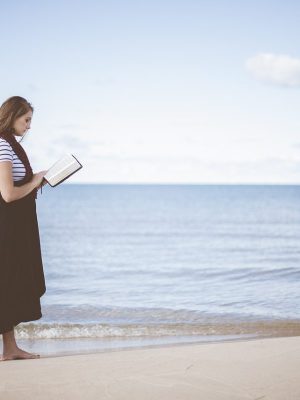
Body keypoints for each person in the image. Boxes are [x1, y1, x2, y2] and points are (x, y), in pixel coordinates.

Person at [0, 96, 48, 361]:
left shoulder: (9, 145)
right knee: (6, 283)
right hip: (6, 229)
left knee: (8, 283)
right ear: (12, 116)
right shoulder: (1, 146)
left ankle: (10, 349)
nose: (29, 126)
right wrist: (36, 181)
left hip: (15, 228)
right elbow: (7, 194)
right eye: (26, 119)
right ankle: (9, 349)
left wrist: (36, 182)